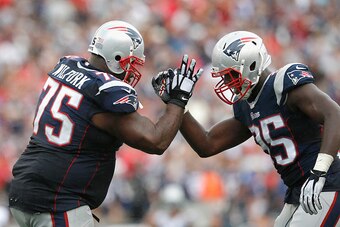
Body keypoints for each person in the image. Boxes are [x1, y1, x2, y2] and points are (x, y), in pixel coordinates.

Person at [8, 20, 202, 227]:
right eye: (131, 63)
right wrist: (178, 99)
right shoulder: (104, 90)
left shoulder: (68, 66)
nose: (132, 70)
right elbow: (156, 141)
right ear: (117, 59)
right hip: (57, 201)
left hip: (26, 192)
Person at [152, 31, 340, 226]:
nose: (227, 83)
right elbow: (207, 144)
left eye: (230, 75)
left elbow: (334, 114)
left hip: (326, 182)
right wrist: (177, 103)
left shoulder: (283, 84)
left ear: (251, 64)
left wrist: (319, 172)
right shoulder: (246, 106)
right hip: (298, 189)